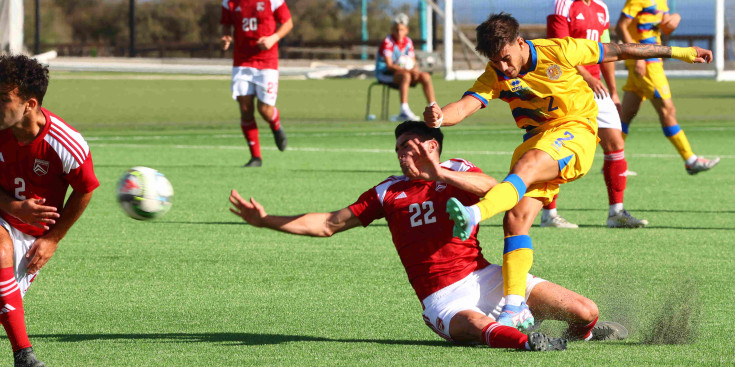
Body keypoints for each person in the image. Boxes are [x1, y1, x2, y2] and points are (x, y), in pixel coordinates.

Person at [229, 121, 628, 351]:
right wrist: (266, 220)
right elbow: (328, 224)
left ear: (432, 146)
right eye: (399, 149)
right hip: (442, 297)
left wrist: (441, 174)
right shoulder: (387, 192)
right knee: (473, 327)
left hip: (488, 278)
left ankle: (581, 337)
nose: (403, 155)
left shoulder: (456, 170)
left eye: (410, 147)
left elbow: (497, 190)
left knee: (585, 311)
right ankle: (528, 342)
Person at [423, 13, 712, 330]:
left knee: (527, 163)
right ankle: (515, 307)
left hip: (576, 132)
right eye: (496, 61)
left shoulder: (560, 50)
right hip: (539, 140)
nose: (504, 67)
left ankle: (474, 214)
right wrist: (439, 118)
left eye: (507, 58)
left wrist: (680, 52)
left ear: (520, 43)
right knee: (515, 220)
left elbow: (621, 49)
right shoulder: (495, 74)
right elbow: (465, 105)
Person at [0, 55, 99, 367]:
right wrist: (13, 207)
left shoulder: (67, 144)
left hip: (31, 240)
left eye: (3, 99)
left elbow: (85, 189)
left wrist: (53, 239)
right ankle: (24, 357)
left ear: (29, 104)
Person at [544, 0, 648, 228]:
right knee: (557, 148)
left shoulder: (601, 7)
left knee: (615, 143)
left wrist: (613, 90)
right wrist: (587, 77)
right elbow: (558, 50)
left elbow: (606, 51)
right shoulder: (563, 5)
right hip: (567, 86)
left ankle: (616, 213)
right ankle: (549, 215)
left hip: (596, 87)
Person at [616, 0, 719, 175]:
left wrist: (675, 18)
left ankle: (612, 162)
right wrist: (637, 57)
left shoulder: (662, 1)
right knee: (667, 111)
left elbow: (664, 29)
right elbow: (620, 27)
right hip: (646, 64)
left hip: (651, 62)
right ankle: (690, 160)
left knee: (625, 116)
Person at [221, 0, 294, 167]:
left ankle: (275, 125)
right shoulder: (229, 2)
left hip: (267, 62)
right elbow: (226, 25)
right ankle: (256, 157)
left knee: (265, 110)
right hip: (242, 62)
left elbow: (288, 22)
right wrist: (225, 38)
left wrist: (273, 38)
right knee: (245, 108)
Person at [375, 13, 436, 121]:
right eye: (397, 30)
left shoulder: (408, 42)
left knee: (425, 76)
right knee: (406, 76)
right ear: (392, 30)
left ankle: (434, 108)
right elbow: (389, 65)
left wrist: (415, 70)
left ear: (406, 30)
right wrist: (409, 71)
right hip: (385, 74)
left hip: (405, 72)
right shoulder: (388, 42)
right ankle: (404, 111)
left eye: (402, 30)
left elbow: (413, 61)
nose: (399, 32)